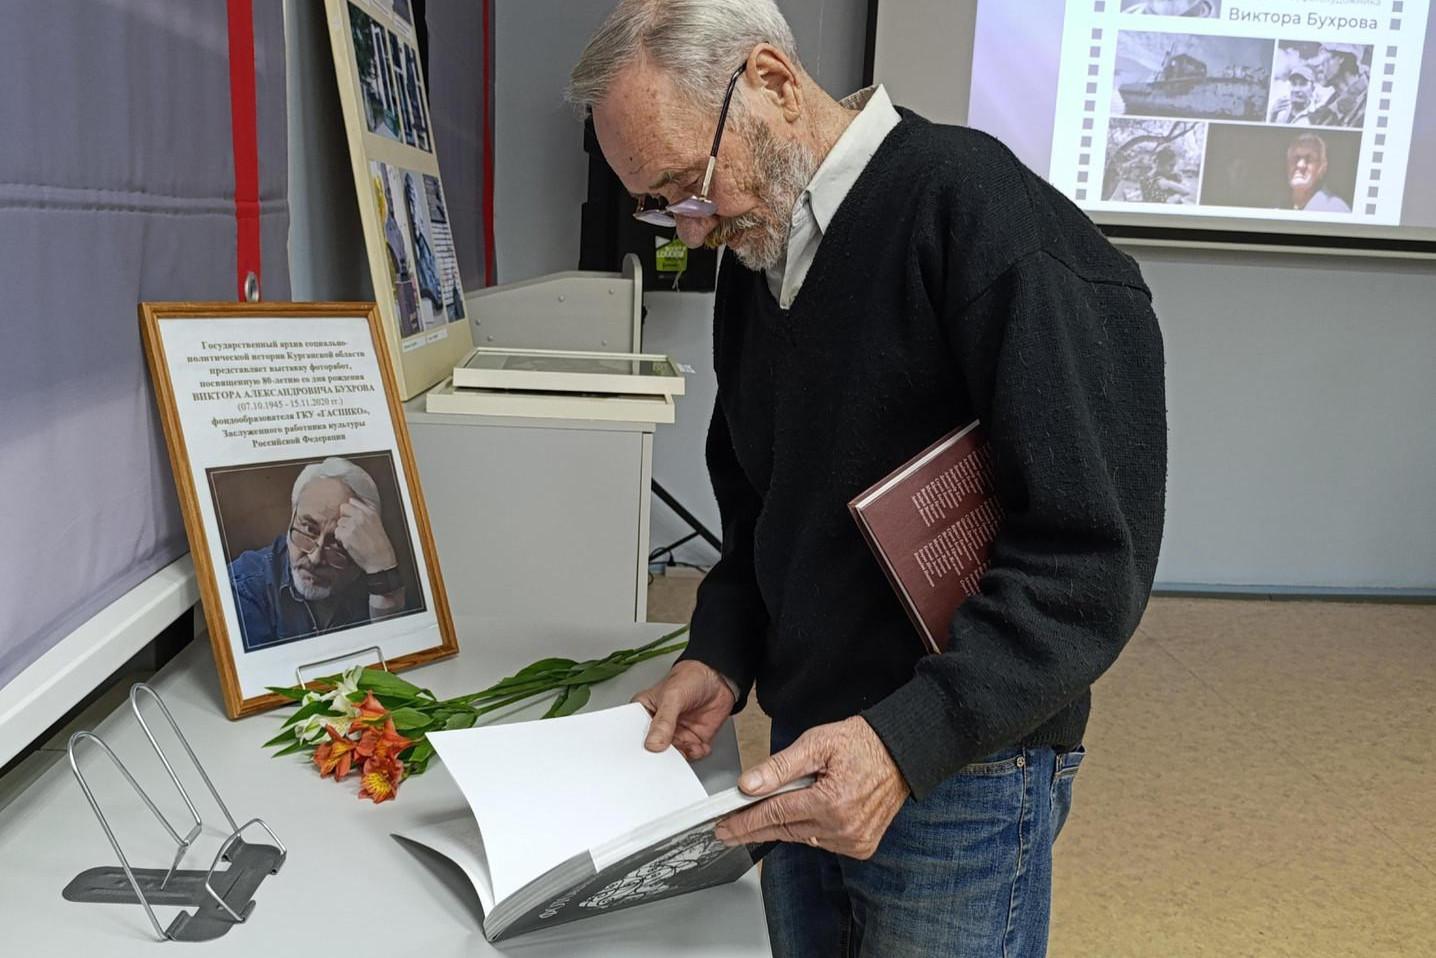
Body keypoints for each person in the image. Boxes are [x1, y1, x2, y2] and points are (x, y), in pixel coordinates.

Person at [568, 2, 1167, 955]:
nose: (692, 225)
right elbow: (761, 506)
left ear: (771, 80)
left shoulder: (981, 215)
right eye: (659, 204)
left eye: (689, 183)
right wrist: (720, 653)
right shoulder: (760, 248)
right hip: (805, 740)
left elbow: (1091, 562)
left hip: (960, 763)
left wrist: (905, 743)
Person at [227, 457, 407, 651]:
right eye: (308, 529)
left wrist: (382, 573)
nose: (315, 559)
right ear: (292, 517)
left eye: (338, 543)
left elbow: (392, 654)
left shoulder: (368, 573)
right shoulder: (243, 586)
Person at [1306, 42, 1367, 128]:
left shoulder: (1371, 100)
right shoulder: (1327, 111)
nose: (1316, 65)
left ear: (1341, 57)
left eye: (1322, 53)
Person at [1286, 132, 1351, 212]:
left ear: (1322, 168)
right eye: (1295, 158)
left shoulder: (1335, 208)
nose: (1300, 165)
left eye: (1309, 158)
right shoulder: (1279, 206)